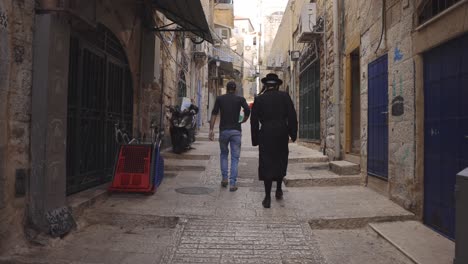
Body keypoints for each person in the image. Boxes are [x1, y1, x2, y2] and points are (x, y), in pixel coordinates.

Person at [250, 73, 298, 208]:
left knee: (267, 162)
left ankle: (267, 196)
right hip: (281, 133)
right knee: (280, 160)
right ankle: (278, 189)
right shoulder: (284, 97)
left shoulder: (259, 99)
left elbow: (254, 121)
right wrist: (292, 133)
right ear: (277, 85)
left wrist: (255, 139)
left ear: (266, 85)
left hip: (266, 134)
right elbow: (292, 116)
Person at [209, 81, 251, 191]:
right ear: (235, 89)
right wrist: (244, 120)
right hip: (236, 132)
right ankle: (232, 184)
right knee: (235, 158)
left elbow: (214, 113)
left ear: (227, 89)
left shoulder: (220, 99)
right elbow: (247, 110)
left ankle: (224, 179)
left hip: (224, 131)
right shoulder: (240, 99)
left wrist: (211, 130)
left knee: (223, 154)